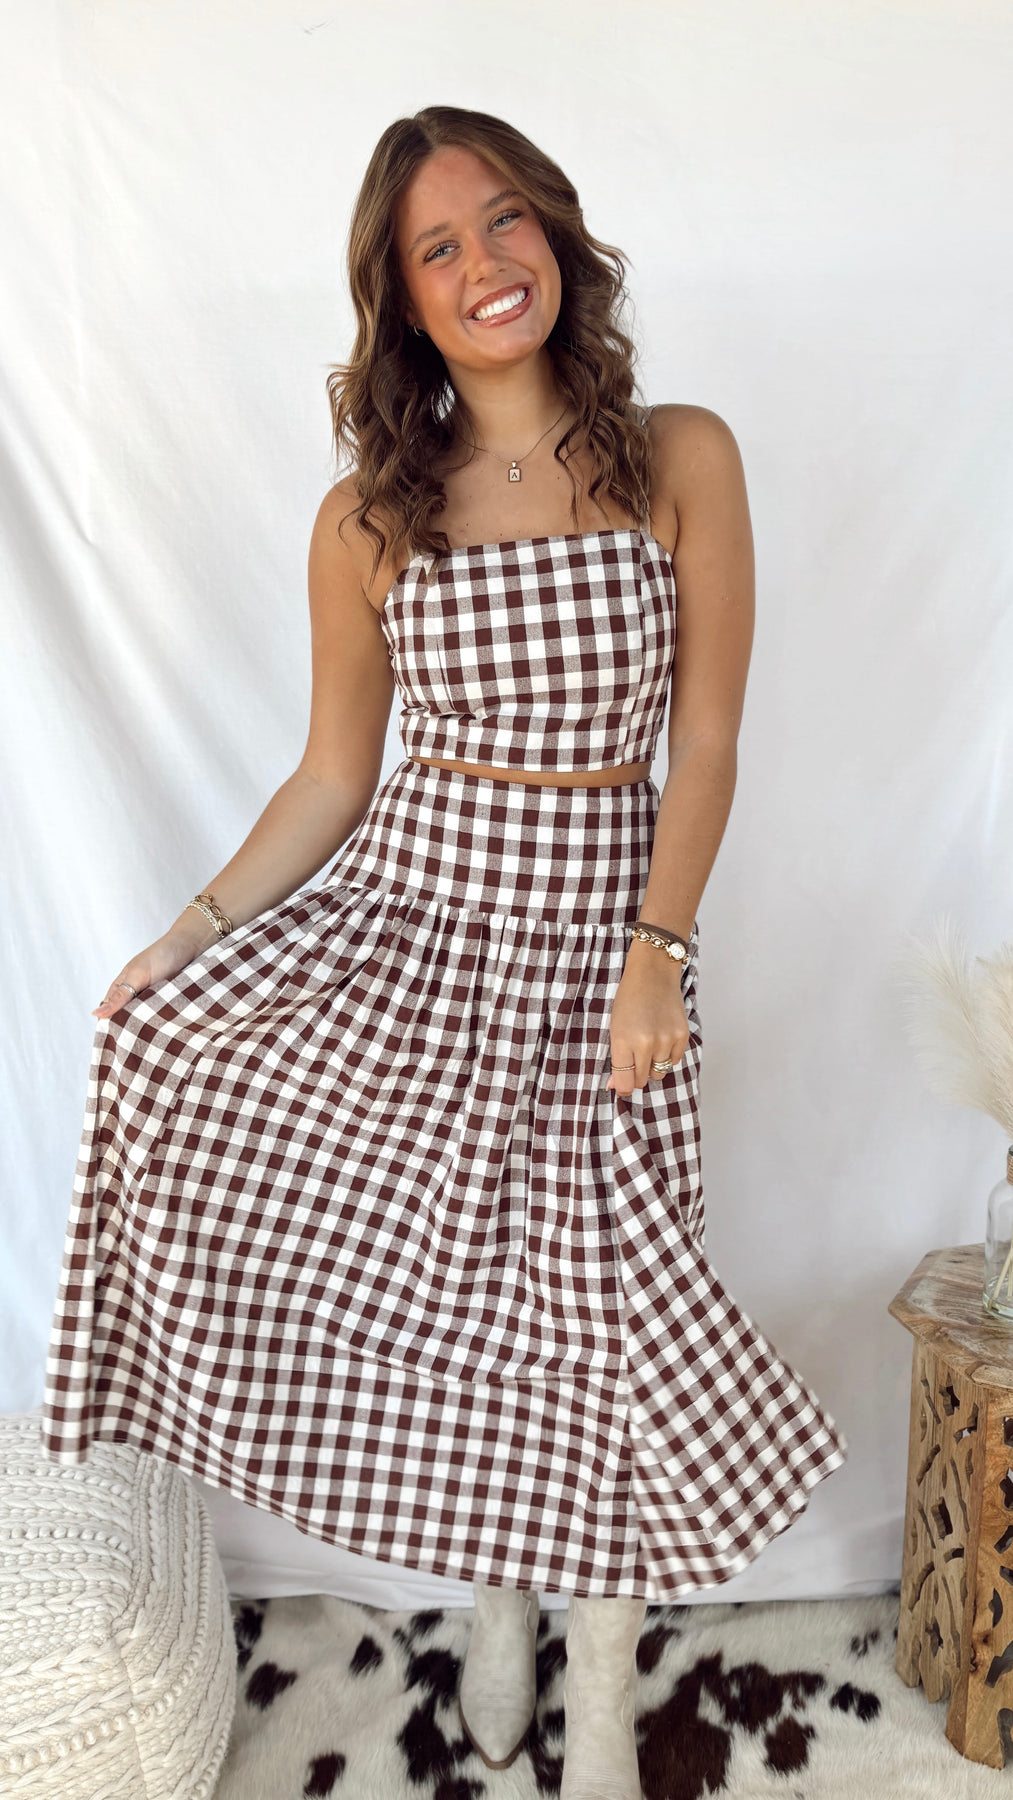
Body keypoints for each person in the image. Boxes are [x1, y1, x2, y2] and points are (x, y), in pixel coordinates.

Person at [40, 105, 848, 1799]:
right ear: (400, 297)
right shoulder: (367, 518)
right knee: (477, 1314)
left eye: (504, 221)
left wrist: (656, 948)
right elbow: (332, 779)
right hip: (420, 937)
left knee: (607, 1328)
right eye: (437, 247)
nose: (484, 264)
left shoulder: (679, 455)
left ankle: (602, 1688)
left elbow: (704, 744)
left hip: (608, 953)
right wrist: (186, 939)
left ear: (555, 233)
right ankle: (496, 1608)